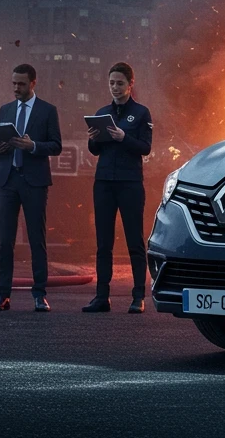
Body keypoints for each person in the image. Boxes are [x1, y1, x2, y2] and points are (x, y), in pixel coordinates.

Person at [0, 64, 61, 312]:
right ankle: (3, 295)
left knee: (36, 238)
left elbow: (56, 145)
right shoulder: (5, 109)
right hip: (7, 180)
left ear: (33, 83)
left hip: (34, 181)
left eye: (21, 84)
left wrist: (32, 147)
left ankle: (40, 294)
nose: (16, 88)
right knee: (4, 241)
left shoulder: (47, 111)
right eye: (14, 84)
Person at [83, 62, 153, 314]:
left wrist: (124, 138)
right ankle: (102, 296)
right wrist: (93, 139)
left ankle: (138, 296)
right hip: (103, 182)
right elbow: (95, 150)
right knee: (103, 242)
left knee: (134, 240)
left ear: (130, 84)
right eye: (111, 83)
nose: (115, 87)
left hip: (130, 182)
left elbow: (145, 147)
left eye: (120, 83)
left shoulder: (141, 113)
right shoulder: (102, 112)